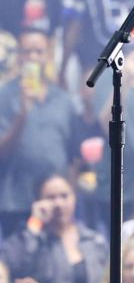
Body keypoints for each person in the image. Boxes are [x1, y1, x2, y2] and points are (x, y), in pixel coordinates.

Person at [0, 173, 108, 283]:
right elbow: (8, 279)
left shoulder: (94, 240)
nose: (58, 203)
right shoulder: (31, 237)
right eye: (50, 197)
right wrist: (35, 224)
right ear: (38, 202)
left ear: (74, 198)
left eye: (64, 196)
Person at [0, 28, 83, 234]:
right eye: (26, 52)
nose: (32, 58)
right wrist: (22, 113)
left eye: (38, 51)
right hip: (16, 201)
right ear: (18, 56)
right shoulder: (5, 95)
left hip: (57, 202)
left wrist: (69, 193)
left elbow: (74, 153)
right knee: (19, 258)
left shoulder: (63, 99)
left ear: (48, 55)